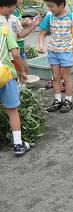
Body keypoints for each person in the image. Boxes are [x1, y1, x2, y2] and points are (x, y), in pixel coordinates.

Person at [38, 0, 73, 113]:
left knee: (66, 77)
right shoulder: (49, 17)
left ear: (61, 5)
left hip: (66, 52)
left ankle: (68, 100)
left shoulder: (72, 17)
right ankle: (57, 100)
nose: (49, 9)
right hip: (53, 51)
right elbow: (42, 33)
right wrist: (40, 45)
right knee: (55, 76)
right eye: (48, 6)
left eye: (51, 6)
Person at [0, 0, 29, 155]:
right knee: (12, 110)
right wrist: (22, 71)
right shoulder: (3, 30)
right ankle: (18, 144)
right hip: (6, 74)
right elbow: (16, 53)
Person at [0, 0, 40, 74]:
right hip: (2, 57)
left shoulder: (14, 19)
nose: (11, 9)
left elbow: (21, 34)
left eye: (13, 6)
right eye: (8, 7)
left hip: (13, 55)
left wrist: (33, 25)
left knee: (15, 76)